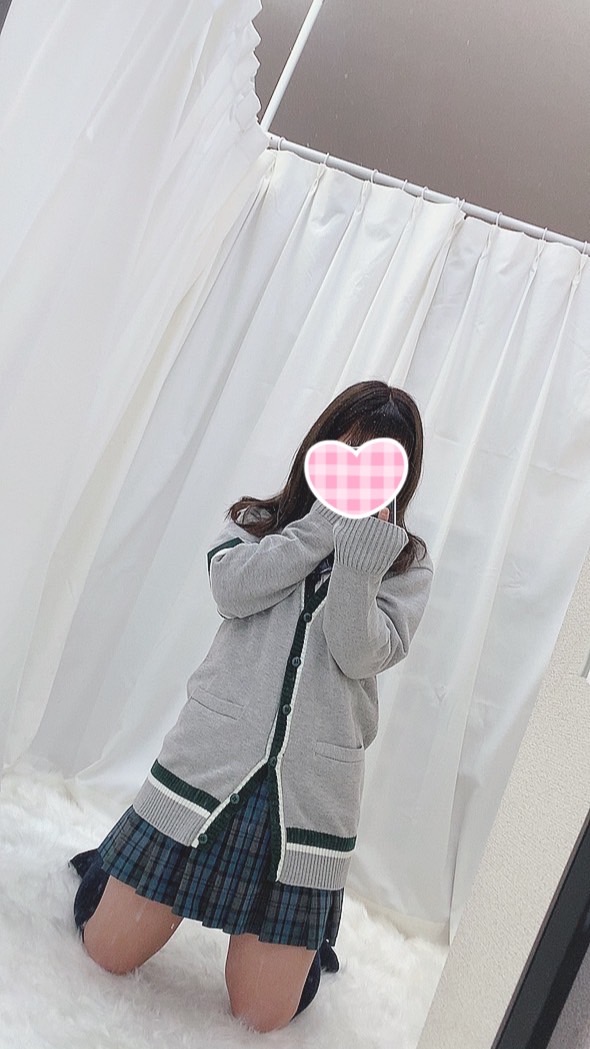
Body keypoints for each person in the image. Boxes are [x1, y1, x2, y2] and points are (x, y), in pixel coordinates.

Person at [69, 379, 434, 1033]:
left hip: (310, 793)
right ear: (321, 448)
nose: (358, 474)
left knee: (263, 1016)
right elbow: (232, 592)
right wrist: (319, 529)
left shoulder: (404, 565)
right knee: (106, 952)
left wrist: (357, 564)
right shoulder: (257, 521)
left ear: (400, 476)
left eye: (378, 462)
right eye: (348, 451)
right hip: (211, 764)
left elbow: (359, 654)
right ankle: (109, 864)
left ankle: (306, 947)